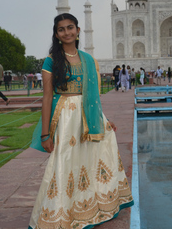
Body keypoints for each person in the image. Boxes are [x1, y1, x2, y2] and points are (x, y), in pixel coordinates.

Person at [28, 13, 133, 229]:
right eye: (61, 29)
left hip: (87, 118)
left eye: (70, 27)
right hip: (65, 118)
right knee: (64, 164)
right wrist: (45, 134)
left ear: (77, 30)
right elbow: (47, 98)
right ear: (56, 34)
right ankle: (61, 215)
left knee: (89, 160)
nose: (66, 32)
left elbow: (92, 97)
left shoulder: (88, 59)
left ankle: (92, 210)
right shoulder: (51, 61)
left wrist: (104, 120)